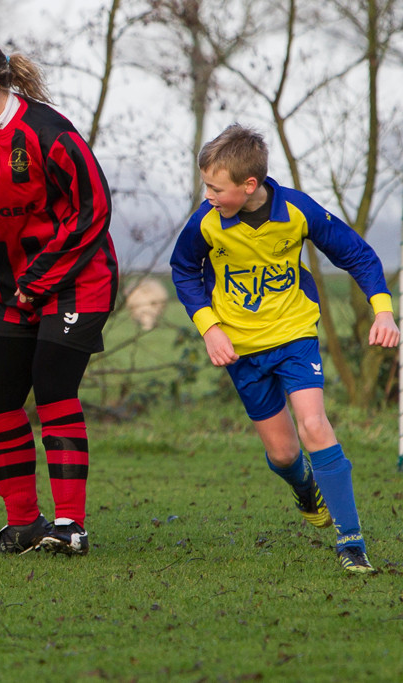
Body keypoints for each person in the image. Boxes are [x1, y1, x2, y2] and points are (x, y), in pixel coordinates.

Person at [170, 123, 399, 574]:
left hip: (295, 336)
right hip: (240, 348)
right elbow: (182, 270)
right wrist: (210, 328)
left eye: (216, 188)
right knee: (283, 455)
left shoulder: (297, 210)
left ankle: (351, 542)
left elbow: (357, 254)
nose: (208, 195)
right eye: (206, 187)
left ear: (248, 184)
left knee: (314, 425)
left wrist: (384, 312)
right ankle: (305, 488)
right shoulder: (206, 222)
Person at [0, 37, 117, 556]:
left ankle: (71, 526)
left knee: (53, 386)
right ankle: (24, 524)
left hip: (77, 281)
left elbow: (94, 210)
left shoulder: (50, 133)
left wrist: (38, 280)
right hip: (17, 289)